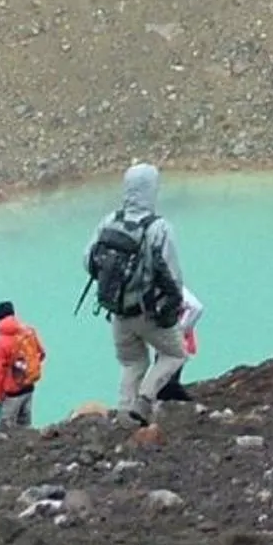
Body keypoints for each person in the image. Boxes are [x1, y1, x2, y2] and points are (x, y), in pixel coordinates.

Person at [83, 161, 189, 425]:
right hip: (148, 312)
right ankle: (145, 399)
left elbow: (88, 260)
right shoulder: (159, 228)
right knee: (175, 354)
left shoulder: (110, 221)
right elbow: (173, 274)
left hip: (117, 311)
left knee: (132, 364)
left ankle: (124, 416)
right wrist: (172, 304)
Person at [0, 300, 46, 427]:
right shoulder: (29, 331)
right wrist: (27, 370)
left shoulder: (1, 342)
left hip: (12, 393)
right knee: (25, 428)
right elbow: (41, 353)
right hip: (29, 387)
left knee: (5, 429)